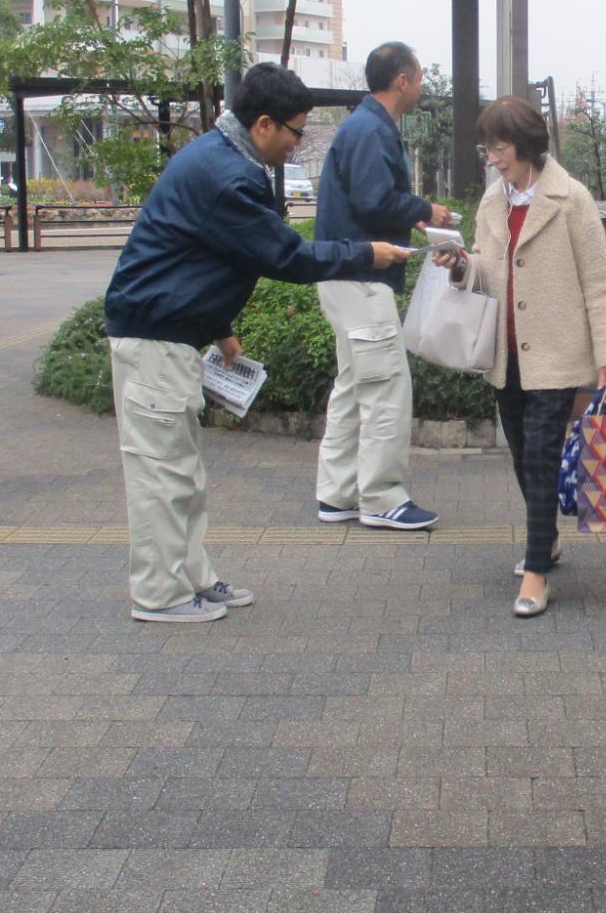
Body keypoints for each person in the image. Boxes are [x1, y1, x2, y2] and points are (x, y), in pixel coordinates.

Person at [104, 64, 407, 625]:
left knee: (182, 473)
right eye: (294, 132)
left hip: (172, 335)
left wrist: (218, 325)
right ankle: (160, 595)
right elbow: (284, 255)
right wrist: (367, 253)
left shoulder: (223, 158)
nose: (296, 145)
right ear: (263, 123)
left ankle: (192, 580)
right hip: (153, 339)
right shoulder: (229, 175)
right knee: (160, 474)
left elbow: (204, 252)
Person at [437, 96, 606, 618]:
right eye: (488, 149)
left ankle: (537, 570)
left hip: (557, 353)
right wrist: (459, 265)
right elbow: (483, 268)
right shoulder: (493, 201)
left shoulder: (571, 199)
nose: (491, 158)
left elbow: (600, 282)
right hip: (505, 353)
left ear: (525, 147)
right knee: (523, 455)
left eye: (498, 148)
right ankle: (548, 541)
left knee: (541, 455)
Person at [312, 41, 451, 531]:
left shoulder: (362, 125)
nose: (421, 84)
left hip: (343, 277)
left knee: (354, 386)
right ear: (403, 81)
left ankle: (338, 494)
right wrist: (423, 211)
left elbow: (366, 200)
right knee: (387, 387)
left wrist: (412, 217)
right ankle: (382, 498)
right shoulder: (373, 130)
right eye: (418, 75)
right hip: (362, 278)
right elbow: (374, 201)